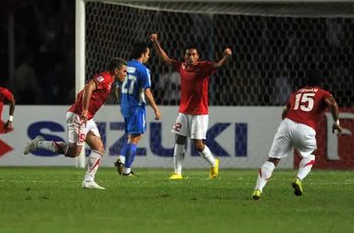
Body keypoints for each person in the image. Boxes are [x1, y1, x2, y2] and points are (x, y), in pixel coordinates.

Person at [23, 58, 128, 189]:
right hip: (79, 117)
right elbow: (89, 86)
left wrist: (82, 101)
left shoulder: (110, 82)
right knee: (74, 152)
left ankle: (88, 181)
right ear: (116, 70)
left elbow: (85, 91)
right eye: (124, 71)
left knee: (99, 147)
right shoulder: (105, 77)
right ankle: (38, 143)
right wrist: (84, 109)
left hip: (87, 119)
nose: (126, 74)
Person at [149, 33, 232, 180]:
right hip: (184, 111)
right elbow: (166, 59)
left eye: (193, 54)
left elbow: (218, 65)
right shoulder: (181, 66)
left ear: (198, 56)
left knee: (198, 145)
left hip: (199, 112)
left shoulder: (203, 67)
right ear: (185, 56)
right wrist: (156, 42)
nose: (191, 57)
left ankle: (214, 162)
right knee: (179, 139)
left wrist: (226, 56)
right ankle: (177, 172)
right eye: (188, 54)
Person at [252, 70, 342, 200]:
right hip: (306, 128)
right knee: (312, 153)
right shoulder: (323, 93)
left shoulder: (297, 93)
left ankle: (258, 190)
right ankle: (298, 179)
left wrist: (286, 126)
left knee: (272, 159)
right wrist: (336, 122)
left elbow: (285, 111)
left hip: (287, 124)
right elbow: (332, 103)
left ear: (306, 82)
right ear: (320, 83)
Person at [114, 42, 161, 177]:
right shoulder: (143, 70)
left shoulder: (124, 67)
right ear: (142, 54)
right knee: (136, 137)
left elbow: (117, 88)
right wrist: (156, 109)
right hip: (136, 107)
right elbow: (147, 92)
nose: (148, 56)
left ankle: (123, 161)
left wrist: (121, 102)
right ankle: (126, 168)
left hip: (125, 106)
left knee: (131, 136)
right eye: (147, 54)